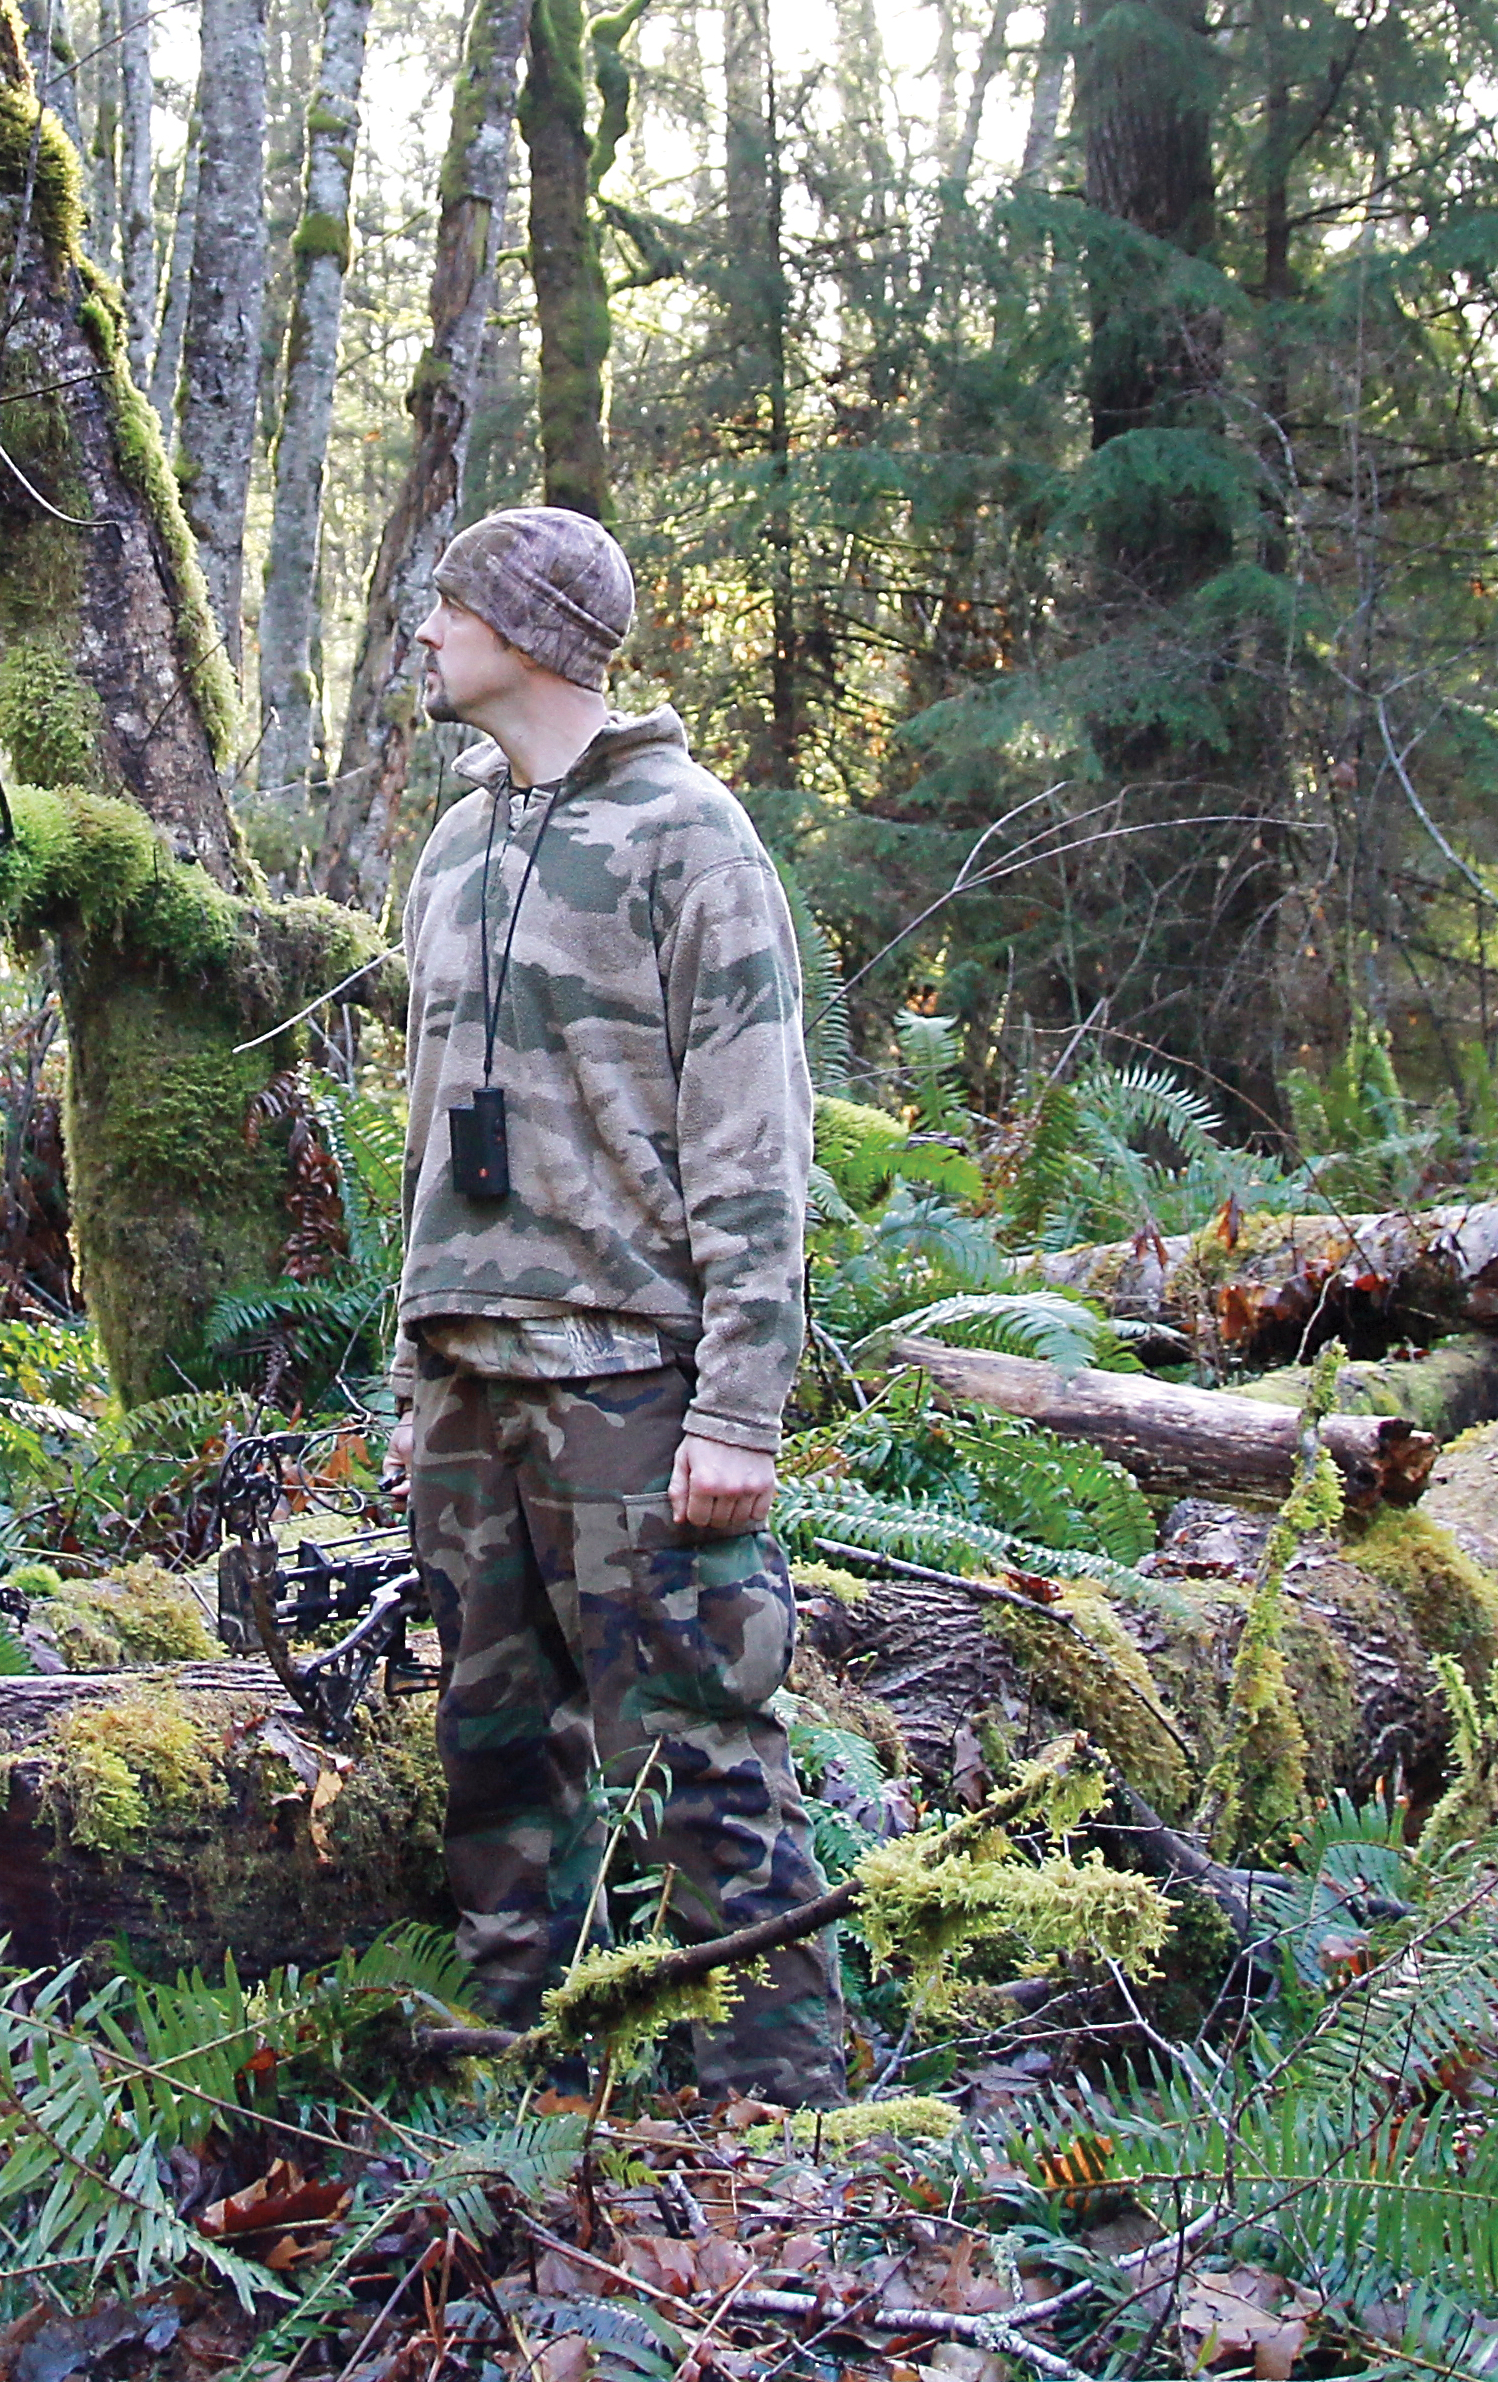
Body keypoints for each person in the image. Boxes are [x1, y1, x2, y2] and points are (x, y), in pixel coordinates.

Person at [387, 503, 840, 2102]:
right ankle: (532, 2071)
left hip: (630, 1385)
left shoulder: (691, 837)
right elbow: (431, 1129)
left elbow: (754, 1139)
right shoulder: (451, 849)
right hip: (468, 1380)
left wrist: (738, 1407)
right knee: (497, 1757)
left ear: (527, 633)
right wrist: (410, 1375)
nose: (425, 636)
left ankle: (781, 2122)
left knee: (699, 1753)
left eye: (451, 608)